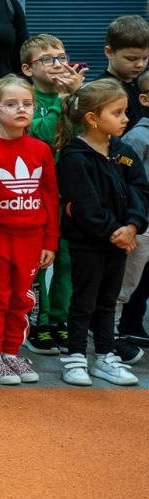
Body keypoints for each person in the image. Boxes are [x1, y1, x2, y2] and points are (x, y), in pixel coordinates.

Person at [55, 79, 146, 388]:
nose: (125, 119)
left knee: (107, 300)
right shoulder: (74, 156)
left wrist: (132, 226)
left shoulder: (123, 151)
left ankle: (105, 356)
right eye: (118, 113)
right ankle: (75, 357)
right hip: (89, 243)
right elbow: (83, 205)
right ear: (93, 118)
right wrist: (114, 231)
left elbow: (140, 190)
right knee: (84, 300)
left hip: (121, 241)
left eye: (125, 112)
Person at [0, 75, 57, 386]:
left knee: (22, 298)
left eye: (27, 104)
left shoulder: (41, 150)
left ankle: (11, 351)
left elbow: (49, 197)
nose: (21, 109)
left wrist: (50, 240)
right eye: (11, 104)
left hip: (31, 239)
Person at [20, 33, 84, 354]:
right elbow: (41, 137)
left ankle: (61, 319)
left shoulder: (74, 97)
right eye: (47, 60)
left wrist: (78, 97)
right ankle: (39, 320)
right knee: (40, 260)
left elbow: (90, 131)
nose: (58, 64)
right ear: (28, 69)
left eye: (61, 57)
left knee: (68, 259)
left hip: (71, 193)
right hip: (37, 193)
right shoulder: (26, 99)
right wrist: (62, 103)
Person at [115, 70, 149, 346]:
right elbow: (126, 181)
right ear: (144, 99)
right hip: (141, 222)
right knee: (128, 278)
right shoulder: (137, 137)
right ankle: (111, 330)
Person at [97, 15, 149, 132]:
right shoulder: (100, 89)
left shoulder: (145, 82)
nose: (140, 64)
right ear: (109, 52)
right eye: (131, 59)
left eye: (145, 58)